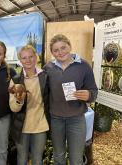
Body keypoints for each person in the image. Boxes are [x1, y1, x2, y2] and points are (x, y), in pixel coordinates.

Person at [43, 34, 98, 165]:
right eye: (55, 50)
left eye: (63, 47)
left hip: (76, 119)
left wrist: (88, 95)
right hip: (56, 119)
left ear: (70, 46)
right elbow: (44, 93)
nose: (60, 52)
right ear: (52, 52)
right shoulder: (48, 68)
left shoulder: (83, 66)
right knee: (58, 155)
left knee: (76, 158)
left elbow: (94, 92)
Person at [9, 45, 50, 165]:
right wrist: (19, 100)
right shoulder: (15, 80)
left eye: (31, 56)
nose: (28, 60)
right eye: (24, 58)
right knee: (22, 158)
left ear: (36, 57)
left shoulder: (45, 77)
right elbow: (13, 108)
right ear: (20, 61)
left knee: (37, 159)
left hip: (41, 125)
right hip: (22, 126)